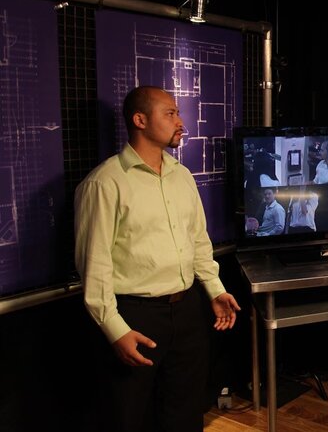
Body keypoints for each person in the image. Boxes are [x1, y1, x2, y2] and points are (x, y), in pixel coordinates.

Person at [74, 86, 241, 432]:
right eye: (170, 113)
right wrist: (115, 329)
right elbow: (94, 266)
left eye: (177, 113)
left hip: (188, 311)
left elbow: (198, 241)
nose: (181, 122)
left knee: (185, 412)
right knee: (128, 416)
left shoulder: (182, 176)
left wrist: (214, 290)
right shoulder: (104, 184)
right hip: (135, 315)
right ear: (140, 120)